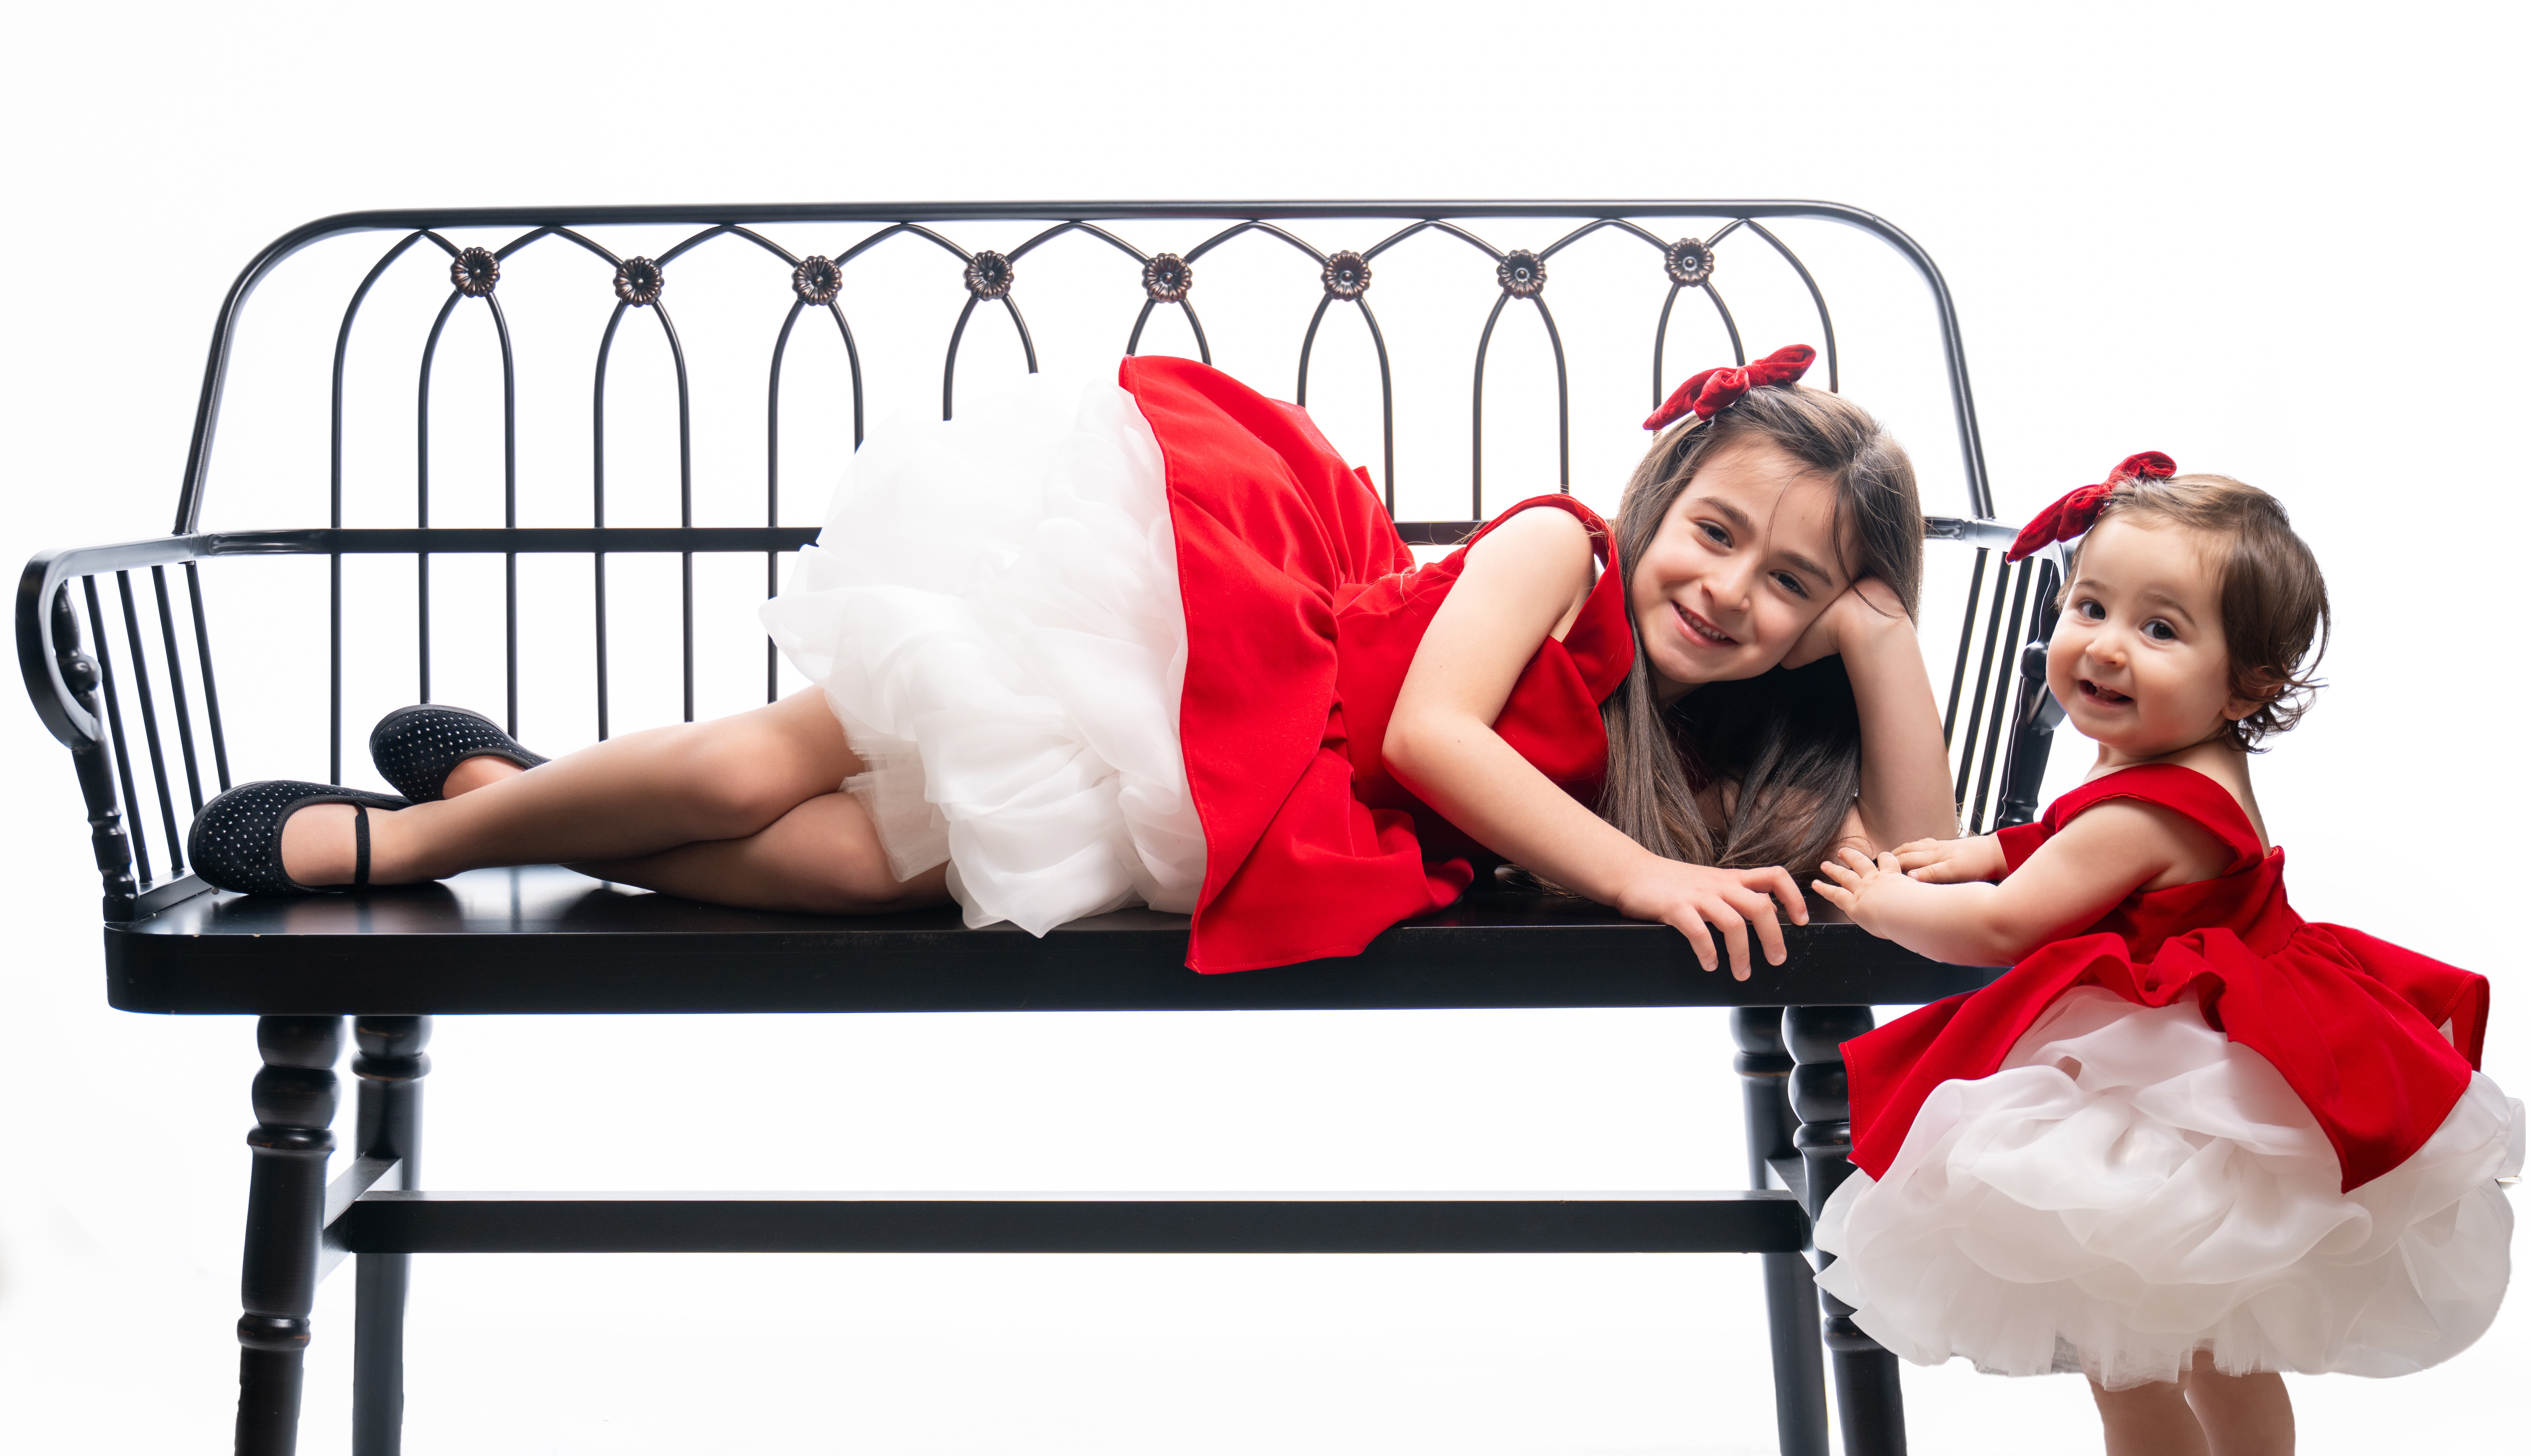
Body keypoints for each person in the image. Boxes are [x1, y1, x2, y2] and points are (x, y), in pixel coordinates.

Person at [187, 348, 1958, 975]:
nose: (1728, 592)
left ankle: (512, 797)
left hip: (1240, 809)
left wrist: (1880, 648)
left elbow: (1931, 865)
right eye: (1716, 534)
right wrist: (1642, 880)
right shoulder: (1557, 549)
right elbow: (1427, 733)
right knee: (758, 774)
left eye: (1792, 584)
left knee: (860, 874)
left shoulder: (1731, 746)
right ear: (1661, 502)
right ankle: (403, 841)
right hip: (1192, 646)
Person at [1809, 456, 2523, 1456]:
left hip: (2167, 1094)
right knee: (2218, 1338)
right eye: (2086, 606)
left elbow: (2004, 928)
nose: (2102, 644)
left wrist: (1887, 896)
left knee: (2128, 1353)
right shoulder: (2184, 764)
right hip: (2235, 1070)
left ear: (2246, 681)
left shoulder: (2145, 810)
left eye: (2157, 627)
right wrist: (1983, 847)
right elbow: (2059, 842)